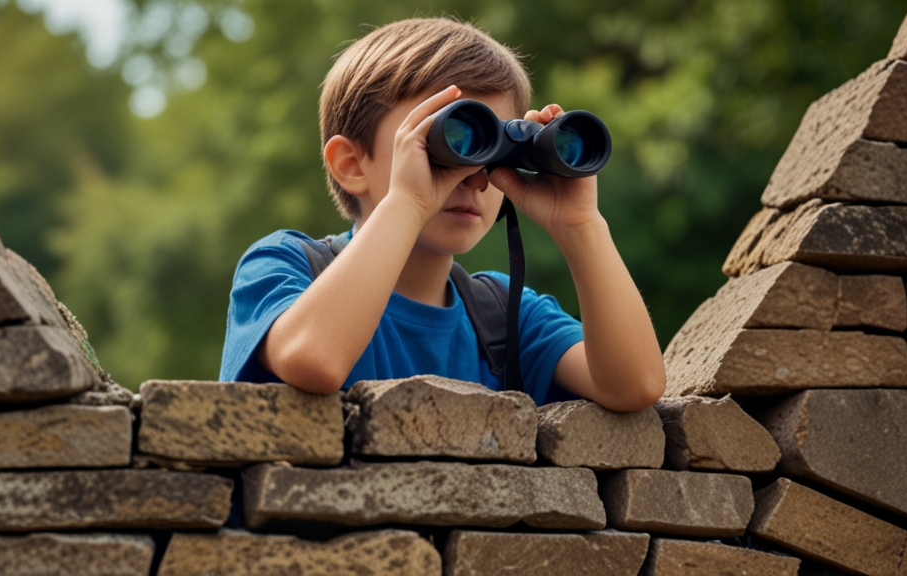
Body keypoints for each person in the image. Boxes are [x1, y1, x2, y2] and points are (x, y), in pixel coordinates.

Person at [220, 18, 665, 410]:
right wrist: (409, 202)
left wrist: (581, 225)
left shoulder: (504, 314)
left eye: (492, 149)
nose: (473, 177)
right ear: (353, 165)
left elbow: (636, 386)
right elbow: (313, 360)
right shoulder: (285, 266)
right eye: (450, 141)